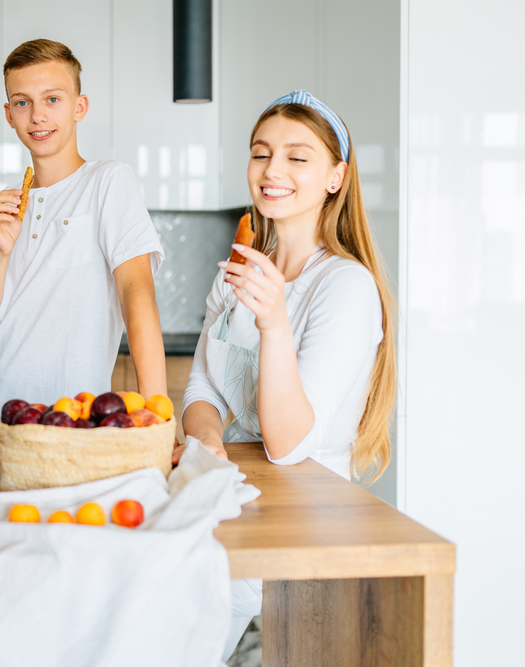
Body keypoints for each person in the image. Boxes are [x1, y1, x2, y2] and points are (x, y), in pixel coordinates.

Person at [176, 90, 397, 664]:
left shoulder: (344, 287)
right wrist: (206, 441)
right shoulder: (238, 272)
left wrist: (275, 325)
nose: (273, 170)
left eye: (298, 157)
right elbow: (202, 392)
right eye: (261, 152)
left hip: (303, 524)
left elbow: (288, 444)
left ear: (335, 176)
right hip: (238, 502)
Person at [0, 39, 166, 443]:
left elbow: (136, 293)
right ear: (9, 114)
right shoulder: (1, 210)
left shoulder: (108, 181)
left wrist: (156, 411)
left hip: (73, 420)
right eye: (22, 103)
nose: (37, 116)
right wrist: (0, 254)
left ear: (79, 107)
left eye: (52, 99)